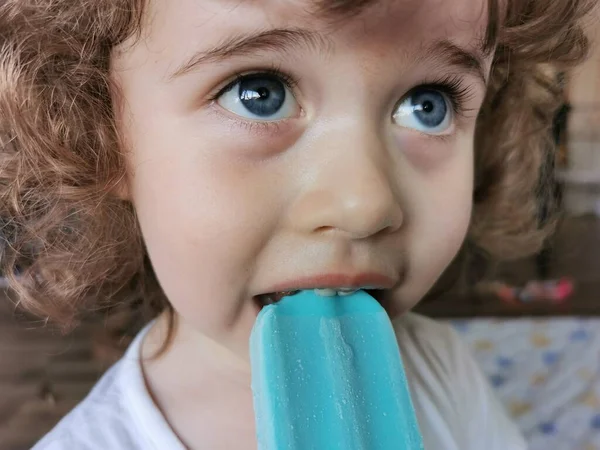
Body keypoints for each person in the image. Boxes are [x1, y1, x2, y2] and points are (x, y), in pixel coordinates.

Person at [0, 0, 594, 448]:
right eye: (259, 92)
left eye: (428, 103)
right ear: (104, 133)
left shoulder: (440, 368)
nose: (365, 205)